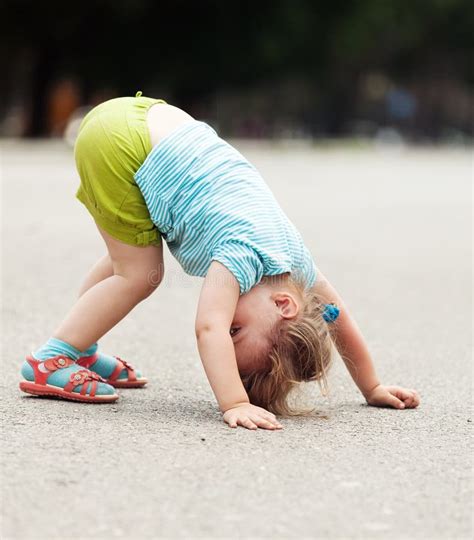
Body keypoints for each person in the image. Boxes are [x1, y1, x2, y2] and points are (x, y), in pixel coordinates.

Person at [20, 93, 420, 429]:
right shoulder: (241, 256)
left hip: (151, 121)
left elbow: (335, 314)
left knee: (127, 261)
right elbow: (207, 326)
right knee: (142, 275)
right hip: (125, 145)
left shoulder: (296, 264)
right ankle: (51, 358)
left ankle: (81, 346)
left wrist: (371, 386)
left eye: (232, 332)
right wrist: (233, 403)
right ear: (283, 305)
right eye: (238, 330)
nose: (227, 325)